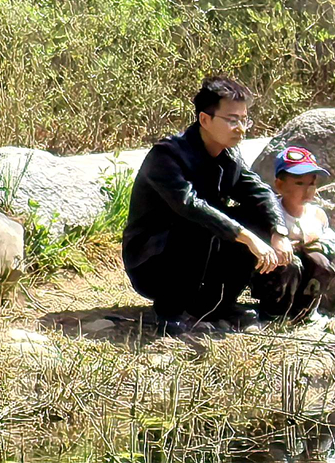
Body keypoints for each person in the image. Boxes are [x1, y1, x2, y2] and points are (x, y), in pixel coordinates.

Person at [123, 75, 294, 336]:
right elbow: (190, 205)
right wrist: (247, 238)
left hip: (201, 254)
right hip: (153, 261)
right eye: (232, 120)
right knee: (201, 222)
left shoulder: (229, 156)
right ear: (205, 119)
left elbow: (259, 191)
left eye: (244, 120)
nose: (241, 128)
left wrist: (278, 232)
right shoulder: (167, 156)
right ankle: (170, 313)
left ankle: (217, 306)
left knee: (255, 217)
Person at [266, 146, 335, 323]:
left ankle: (306, 311)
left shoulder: (317, 215)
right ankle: (275, 312)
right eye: (299, 183)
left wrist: (317, 245)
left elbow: (329, 241)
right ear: (280, 185)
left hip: (307, 269)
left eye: (312, 184)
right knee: (291, 265)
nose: (307, 190)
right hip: (279, 268)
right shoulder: (272, 212)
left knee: (320, 262)